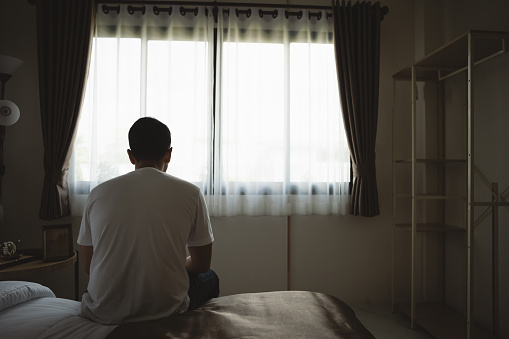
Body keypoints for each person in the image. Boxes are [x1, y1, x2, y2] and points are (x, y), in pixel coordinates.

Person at [77, 117, 219, 325]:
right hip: (166, 308)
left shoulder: (98, 193)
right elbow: (201, 265)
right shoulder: (191, 193)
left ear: (130, 156)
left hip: (104, 311)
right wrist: (169, 265)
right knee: (211, 277)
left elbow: (90, 266)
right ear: (169, 154)